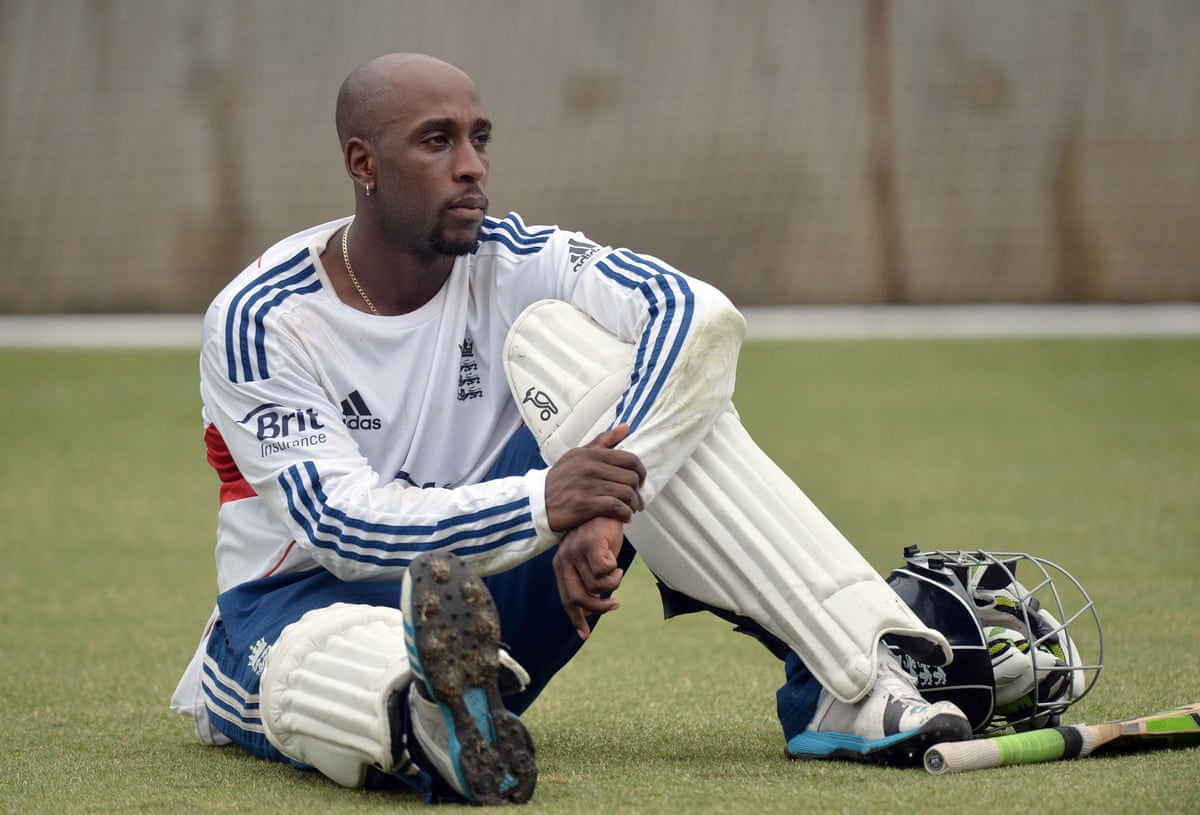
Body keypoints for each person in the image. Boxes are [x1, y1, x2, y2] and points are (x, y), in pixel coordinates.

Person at [171, 53, 971, 805]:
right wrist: (549, 504)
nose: (472, 165)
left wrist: (611, 497)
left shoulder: (516, 257)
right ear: (363, 164)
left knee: (631, 379)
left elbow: (698, 315)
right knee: (342, 666)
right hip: (293, 603)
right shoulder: (262, 317)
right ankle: (434, 720)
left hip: (494, 589)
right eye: (436, 141)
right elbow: (337, 526)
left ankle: (852, 671)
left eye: (479, 139)